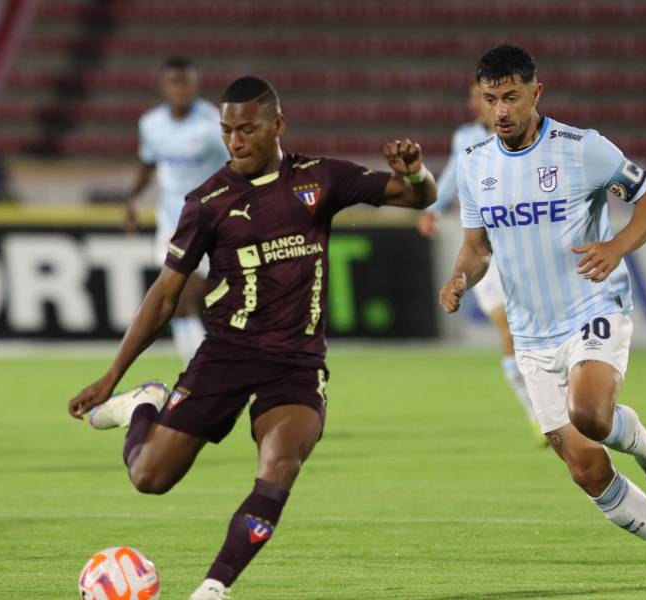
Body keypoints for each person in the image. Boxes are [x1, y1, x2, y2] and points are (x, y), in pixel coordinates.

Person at [67, 76, 436, 600]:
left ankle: (214, 589)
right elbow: (165, 296)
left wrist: (416, 172)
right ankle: (145, 404)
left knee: (280, 464)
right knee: (149, 477)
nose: (235, 141)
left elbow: (419, 197)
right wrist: (112, 376)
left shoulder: (319, 179)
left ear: (277, 126)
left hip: (296, 363)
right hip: (226, 353)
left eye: (246, 129)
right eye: (227, 131)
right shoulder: (207, 202)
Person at [440, 45, 646, 588]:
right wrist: (459, 278)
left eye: (511, 97)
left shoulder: (582, 148)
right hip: (531, 334)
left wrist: (617, 246)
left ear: (536, 93)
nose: (501, 111)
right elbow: (477, 247)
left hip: (592, 308)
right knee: (586, 469)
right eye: (491, 99)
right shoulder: (475, 165)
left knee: (589, 412)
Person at [418, 82, 545, 445]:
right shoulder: (468, 140)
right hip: (486, 251)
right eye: (481, 96)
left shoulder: (531, 137)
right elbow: (454, 178)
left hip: (526, 249)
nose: (479, 102)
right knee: (509, 332)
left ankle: (555, 407)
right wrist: (433, 207)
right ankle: (537, 416)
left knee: (532, 335)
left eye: (487, 96)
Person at [122, 56, 230, 365]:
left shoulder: (214, 124)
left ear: (195, 85)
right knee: (178, 301)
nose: (180, 89)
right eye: (174, 82)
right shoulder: (151, 124)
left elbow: (238, 166)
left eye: (186, 82)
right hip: (172, 224)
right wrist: (131, 199)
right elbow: (148, 164)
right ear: (164, 86)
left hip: (213, 224)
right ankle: (198, 374)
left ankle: (212, 371)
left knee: (204, 304)